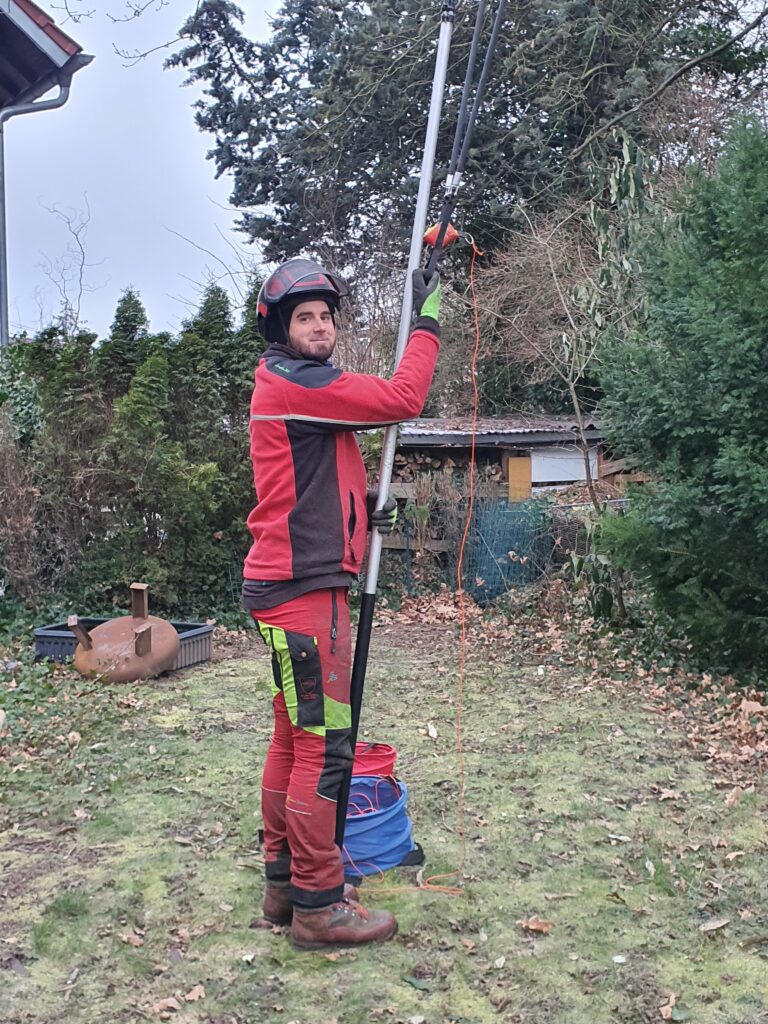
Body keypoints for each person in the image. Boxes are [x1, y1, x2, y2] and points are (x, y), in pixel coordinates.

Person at [242, 257, 441, 949]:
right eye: (305, 316)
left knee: (292, 738)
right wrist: (428, 318)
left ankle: (282, 885)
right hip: (304, 593)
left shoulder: (291, 387)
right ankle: (319, 905)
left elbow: (319, 474)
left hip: (285, 585)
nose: (320, 325)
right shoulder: (297, 381)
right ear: (279, 327)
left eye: (327, 315)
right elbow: (403, 397)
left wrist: (364, 512)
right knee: (325, 750)